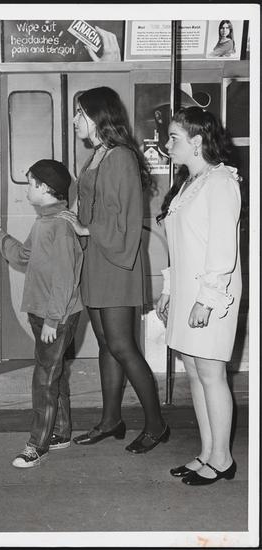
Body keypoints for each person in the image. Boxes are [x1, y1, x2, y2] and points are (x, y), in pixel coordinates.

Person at [58, 86, 168, 454]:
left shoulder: (120, 156)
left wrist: (86, 228)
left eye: (80, 113)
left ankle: (156, 425)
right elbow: (93, 207)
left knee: (122, 346)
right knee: (106, 344)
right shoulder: (97, 155)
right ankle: (111, 421)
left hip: (117, 262)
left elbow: (127, 219)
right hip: (96, 260)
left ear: (98, 116)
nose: (75, 120)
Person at [156, 107, 242, 485]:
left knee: (211, 373)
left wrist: (205, 301)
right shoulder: (189, 184)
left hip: (211, 294)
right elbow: (180, 246)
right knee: (194, 370)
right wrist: (170, 290)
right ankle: (207, 452)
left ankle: (222, 459)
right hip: (188, 291)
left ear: (197, 141)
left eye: (173, 137)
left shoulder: (220, 182)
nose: (167, 144)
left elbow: (222, 250)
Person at [0, 159, 83, 468]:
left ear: (44, 188)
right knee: (52, 374)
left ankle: (37, 445)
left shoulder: (60, 227)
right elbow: (24, 256)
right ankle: (60, 432)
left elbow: (65, 279)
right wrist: (0, 235)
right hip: (44, 312)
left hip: (56, 316)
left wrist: (53, 320)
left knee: (43, 380)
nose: (27, 189)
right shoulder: (44, 221)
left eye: (30, 183)